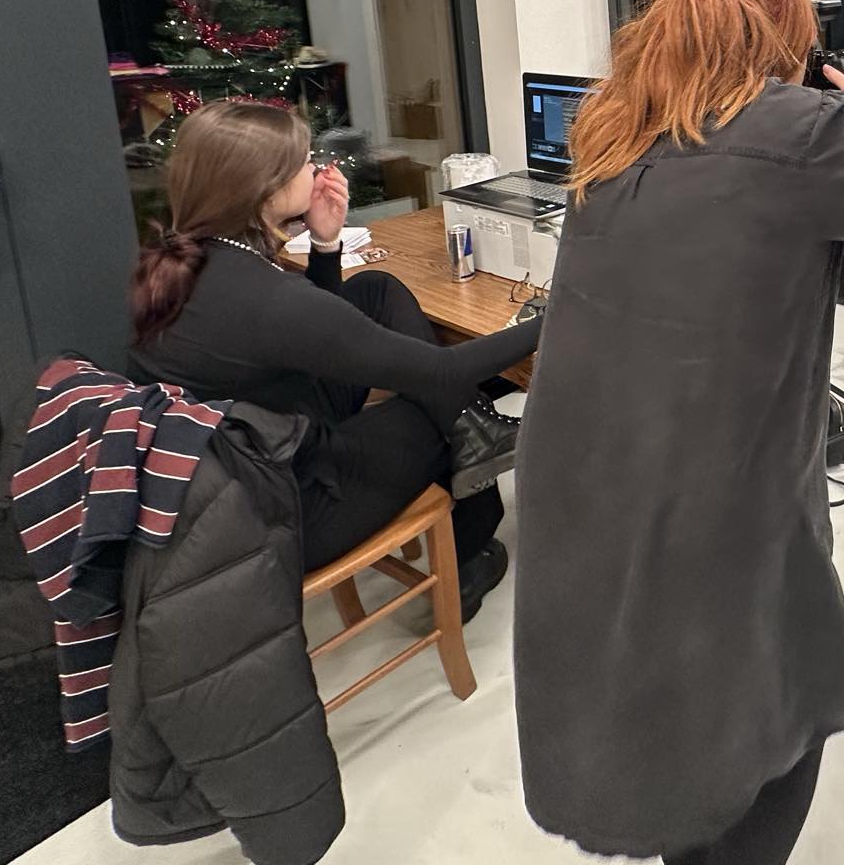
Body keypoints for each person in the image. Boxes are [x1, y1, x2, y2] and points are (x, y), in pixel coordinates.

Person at [513, 0, 844, 865]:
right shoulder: (804, 129)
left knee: (671, 708)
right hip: (726, 489)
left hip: (590, 477)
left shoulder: (613, 128)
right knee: (774, 705)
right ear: (779, 42)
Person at [128, 100, 541, 619]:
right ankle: (468, 553)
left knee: (376, 290)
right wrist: (555, 315)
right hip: (282, 507)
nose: (318, 168)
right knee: (440, 412)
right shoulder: (266, 298)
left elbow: (309, 338)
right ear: (267, 188)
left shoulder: (186, 259)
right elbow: (444, 370)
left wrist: (326, 245)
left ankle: (476, 433)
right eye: (305, 161)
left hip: (249, 451)